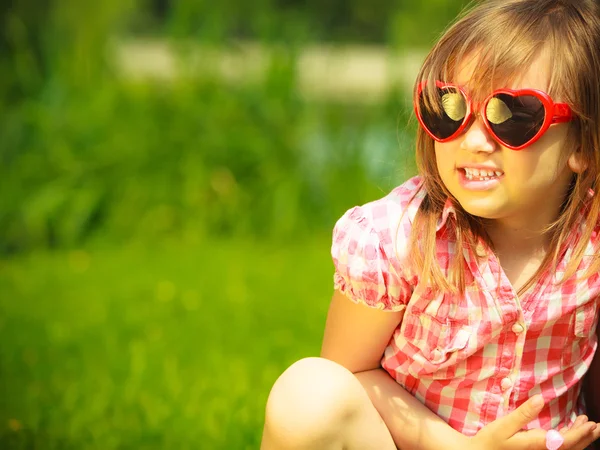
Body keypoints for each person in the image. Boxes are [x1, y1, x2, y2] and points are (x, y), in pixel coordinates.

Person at [261, 0, 600, 448]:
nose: (474, 141)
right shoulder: (395, 239)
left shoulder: (588, 242)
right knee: (307, 394)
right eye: (451, 107)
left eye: (513, 116)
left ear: (583, 145)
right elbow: (350, 375)